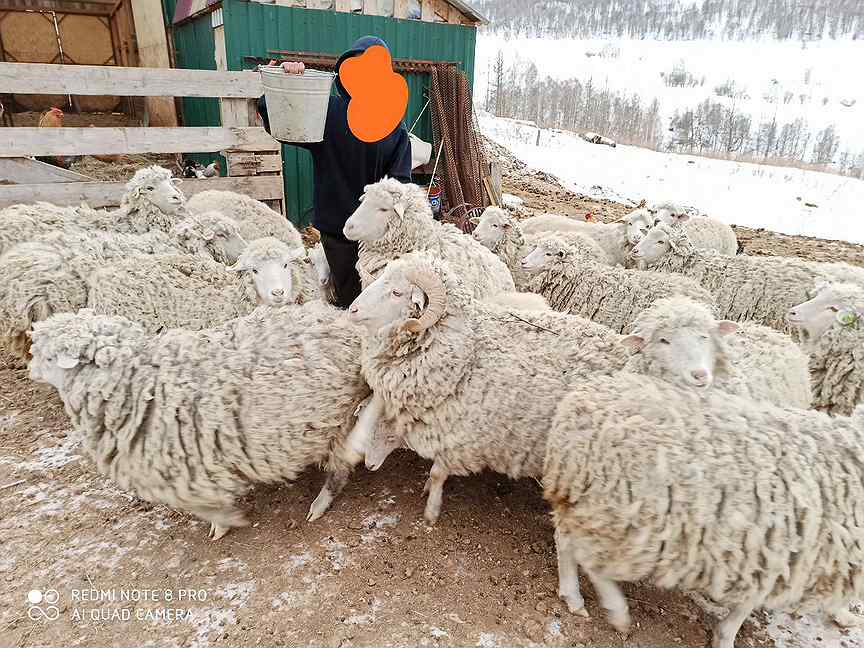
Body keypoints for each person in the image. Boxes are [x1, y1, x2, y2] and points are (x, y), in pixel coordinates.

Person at [257, 36, 412, 308]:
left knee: (348, 299)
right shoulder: (392, 126)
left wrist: (281, 87)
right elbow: (401, 187)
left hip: (340, 231)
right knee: (377, 302)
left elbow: (283, 126)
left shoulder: (327, 113)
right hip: (375, 235)